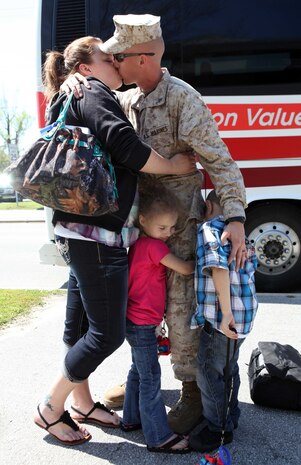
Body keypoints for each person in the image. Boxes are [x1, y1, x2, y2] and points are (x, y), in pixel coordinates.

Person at [61, 13, 248, 434]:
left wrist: (234, 215)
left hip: (177, 230)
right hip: (136, 227)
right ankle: (143, 380)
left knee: (181, 311)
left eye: (118, 56)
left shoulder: (183, 99)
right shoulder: (126, 100)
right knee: (141, 308)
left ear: (142, 58)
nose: (112, 62)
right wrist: (76, 82)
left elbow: (219, 158)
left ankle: (192, 392)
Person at [33, 36, 196, 446]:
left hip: (75, 228)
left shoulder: (72, 93)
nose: (118, 62)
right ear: (86, 68)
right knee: (104, 333)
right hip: (97, 232)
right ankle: (51, 408)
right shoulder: (92, 92)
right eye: (109, 58)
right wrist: (173, 165)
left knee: (81, 324)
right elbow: (126, 147)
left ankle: (83, 403)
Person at [121, 180, 194, 453]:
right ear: (143, 220)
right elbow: (185, 269)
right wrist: (205, 260)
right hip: (143, 322)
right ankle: (158, 437)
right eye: (162, 227)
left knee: (137, 372)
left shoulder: (137, 244)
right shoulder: (155, 247)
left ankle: (131, 419)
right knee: (151, 378)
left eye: (173, 227)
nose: (168, 233)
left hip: (132, 319)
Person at [189, 190, 258, 452]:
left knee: (208, 371)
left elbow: (217, 266)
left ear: (207, 205)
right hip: (245, 315)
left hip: (222, 317)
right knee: (229, 367)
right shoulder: (243, 235)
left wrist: (225, 313)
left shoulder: (210, 228)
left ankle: (217, 428)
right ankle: (232, 415)